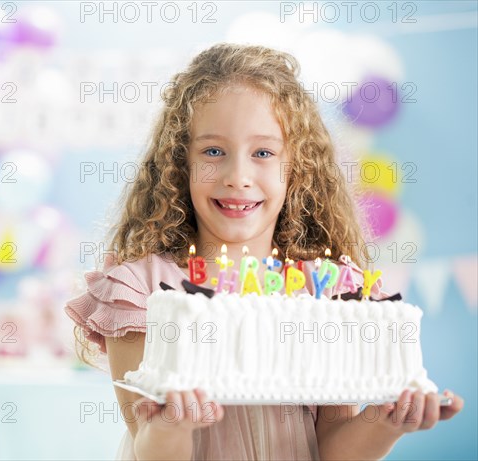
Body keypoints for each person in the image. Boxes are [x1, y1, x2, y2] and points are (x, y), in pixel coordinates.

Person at [65, 43, 463, 460]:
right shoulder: (140, 290)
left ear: (296, 166)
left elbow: (331, 448)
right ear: (180, 162)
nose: (238, 176)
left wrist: (386, 422)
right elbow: (148, 446)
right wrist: (170, 424)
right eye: (213, 151)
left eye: (263, 153)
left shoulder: (327, 293)